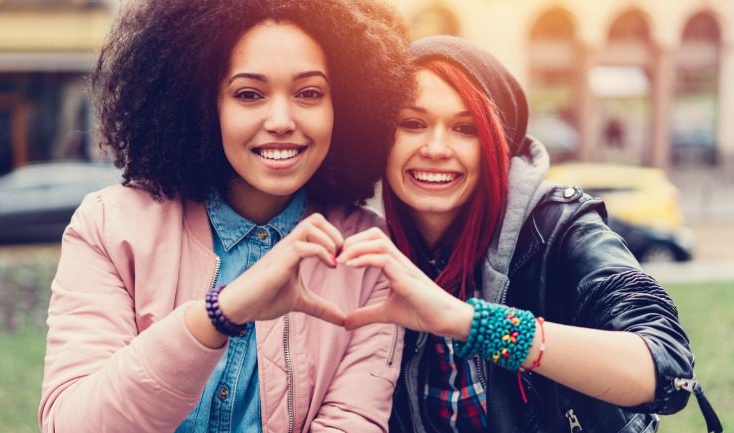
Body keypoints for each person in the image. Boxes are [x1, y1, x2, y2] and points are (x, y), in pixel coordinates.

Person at [38, 1, 413, 432]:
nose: (280, 120)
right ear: (203, 105)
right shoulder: (110, 227)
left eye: (309, 93)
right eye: (249, 94)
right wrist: (219, 315)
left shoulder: (366, 254)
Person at [338, 36, 720, 433]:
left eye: (465, 128)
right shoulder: (360, 241)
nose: (436, 148)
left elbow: (667, 368)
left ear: (495, 146)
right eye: (412, 123)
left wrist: (475, 324)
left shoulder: (557, 227)